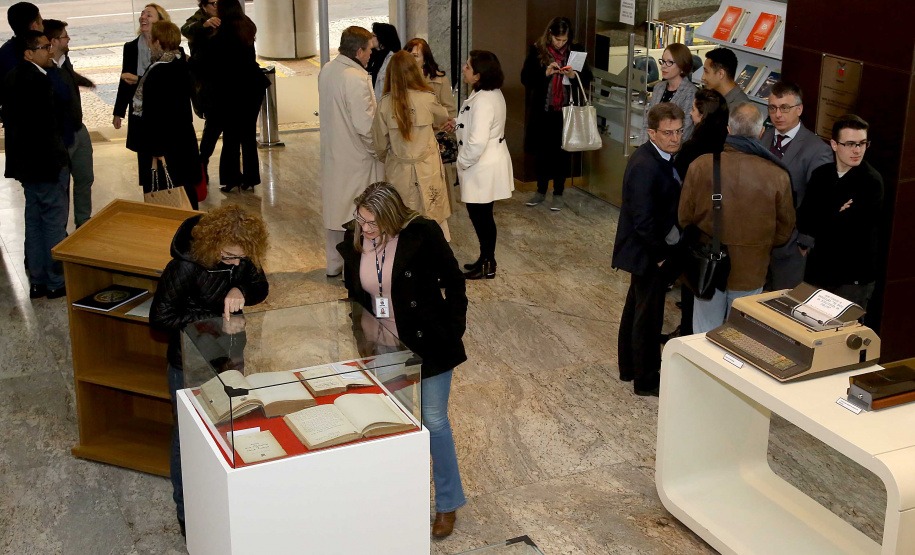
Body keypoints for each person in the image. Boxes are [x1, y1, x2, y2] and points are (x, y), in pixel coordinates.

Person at [337, 182, 467, 539]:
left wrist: (454, 329)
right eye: (360, 220)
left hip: (427, 343)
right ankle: (396, 502)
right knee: (392, 424)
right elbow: (354, 292)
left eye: (372, 223)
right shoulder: (357, 236)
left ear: (392, 217)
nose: (365, 229)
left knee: (434, 421)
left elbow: (455, 281)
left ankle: (447, 504)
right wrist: (360, 335)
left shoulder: (422, 234)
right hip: (382, 345)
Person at [150, 203, 269, 538]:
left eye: (241, 259)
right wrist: (212, 324)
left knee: (231, 426)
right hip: (189, 363)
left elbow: (261, 288)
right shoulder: (184, 267)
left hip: (230, 359)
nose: (235, 264)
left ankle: (226, 497)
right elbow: (160, 319)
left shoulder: (242, 260)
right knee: (187, 439)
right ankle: (186, 511)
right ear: (214, 244)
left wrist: (240, 288)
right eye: (229, 257)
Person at [680, 103, 795, 333]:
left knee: (703, 334)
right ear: (761, 133)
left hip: (707, 267)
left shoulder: (701, 166)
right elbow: (784, 229)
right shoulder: (778, 175)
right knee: (741, 336)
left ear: (729, 130)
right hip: (751, 270)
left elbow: (684, 217)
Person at [612, 103, 684, 396]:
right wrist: (660, 256)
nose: (675, 138)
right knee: (648, 318)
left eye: (679, 131)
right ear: (651, 132)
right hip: (648, 253)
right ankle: (646, 379)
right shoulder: (647, 164)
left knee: (636, 310)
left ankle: (629, 368)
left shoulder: (660, 157)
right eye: (668, 133)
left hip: (645, 252)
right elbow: (643, 220)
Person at [2, 30, 70, 300]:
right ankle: (55, 281)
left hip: (24, 164)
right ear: (29, 53)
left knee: (33, 220)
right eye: (44, 47)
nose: (50, 50)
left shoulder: (10, 77)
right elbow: (55, 119)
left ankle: (37, 281)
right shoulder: (42, 81)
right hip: (47, 163)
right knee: (53, 220)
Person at [797, 115, 883, 310]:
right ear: (834, 145)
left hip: (853, 278)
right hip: (819, 271)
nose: (857, 150)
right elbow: (805, 220)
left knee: (841, 336)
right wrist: (837, 211)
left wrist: (826, 215)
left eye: (862, 143)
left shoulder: (871, 181)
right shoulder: (821, 175)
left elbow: (853, 229)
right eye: (850, 144)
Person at [319, 26, 384, 277]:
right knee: (356, 213)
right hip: (356, 158)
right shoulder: (355, 77)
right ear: (358, 51)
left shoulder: (327, 70)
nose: (370, 55)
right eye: (369, 50)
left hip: (334, 153)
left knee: (336, 210)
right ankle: (354, 268)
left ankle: (334, 264)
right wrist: (379, 151)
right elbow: (365, 125)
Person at [666, 87, 729, 340]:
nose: (690, 114)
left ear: (702, 115)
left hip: (694, 227)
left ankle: (687, 332)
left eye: (693, 110)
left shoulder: (692, 150)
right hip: (721, 227)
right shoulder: (728, 146)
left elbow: (679, 190)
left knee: (692, 283)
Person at [372, 51, 454, 239]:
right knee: (433, 216)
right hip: (427, 167)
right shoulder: (427, 98)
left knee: (400, 219)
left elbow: (378, 143)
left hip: (398, 169)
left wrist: (390, 158)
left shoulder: (384, 104)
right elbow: (442, 118)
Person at [760, 81, 834, 290]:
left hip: (791, 245)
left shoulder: (817, 150)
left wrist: (805, 242)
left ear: (799, 110)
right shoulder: (765, 138)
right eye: (773, 108)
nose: (778, 114)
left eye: (785, 108)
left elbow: (819, 200)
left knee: (783, 305)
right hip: (759, 241)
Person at [520, 16, 592, 211]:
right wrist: (546, 74)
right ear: (550, 34)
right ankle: (541, 190)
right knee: (542, 153)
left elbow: (587, 77)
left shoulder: (576, 50)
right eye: (557, 39)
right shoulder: (538, 50)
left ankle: (558, 192)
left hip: (566, 111)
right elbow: (525, 78)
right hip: (544, 110)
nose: (560, 44)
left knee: (562, 153)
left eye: (564, 40)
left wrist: (573, 75)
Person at [197, 0, 268, 193]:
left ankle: (232, 179)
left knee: (231, 136)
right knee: (247, 134)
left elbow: (210, 63)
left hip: (230, 89)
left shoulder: (221, 32)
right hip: (252, 86)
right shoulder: (247, 25)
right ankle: (251, 178)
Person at [456, 50, 514, 280]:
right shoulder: (490, 93)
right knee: (483, 215)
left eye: (468, 66)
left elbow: (477, 142)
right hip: (488, 161)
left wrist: (462, 163)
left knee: (481, 217)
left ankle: (488, 263)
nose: (464, 68)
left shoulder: (483, 101)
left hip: (481, 165)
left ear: (479, 75)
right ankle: (485, 259)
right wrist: (458, 123)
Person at [135, 21, 200, 209]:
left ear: (157, 42)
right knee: (187, 193)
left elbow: (156, 114)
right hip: (183, 140)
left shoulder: (160, 71)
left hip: (166, 145)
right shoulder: (180, 61)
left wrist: (155, 149)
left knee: (169, 196)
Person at [113, 4, 170, 190]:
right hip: (140, 113)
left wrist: (137, 80)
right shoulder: (130, 47)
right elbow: (124, 81)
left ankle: (169, 195)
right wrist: (118, 112)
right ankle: (150, 194)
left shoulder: (169, 47)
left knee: (166, 159)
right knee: (146, 160)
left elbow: (167, 84)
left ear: (160, 21)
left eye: (149, 15)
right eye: (142, 14)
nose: (143, 17)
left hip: (162, 113)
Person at [45, 19, 96, 227]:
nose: (69, 39)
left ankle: (83, 222)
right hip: (61, 136)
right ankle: (59, 229)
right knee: (61, 185)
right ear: (55, 41)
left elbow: (70, 76)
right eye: (65, 36)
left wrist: (84, 82)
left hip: (79, 129)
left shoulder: (64, 59)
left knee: (85, 178)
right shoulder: (43, 67)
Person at [404, 37, 458, 205]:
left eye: (416, 56)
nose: (412, 60)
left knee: (438, 197)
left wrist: (436, 126)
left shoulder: (439, 79)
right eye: (409, 55)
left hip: (434, 142)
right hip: (409, 144)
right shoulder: (401, 80)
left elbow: (450, 111)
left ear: (425, 58)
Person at [638, 43, 697, 145]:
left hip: (673, 151)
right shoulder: (658, 88)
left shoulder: (690, 92)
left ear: (682, 66)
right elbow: (647, 122)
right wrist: (642, 148)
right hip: (651, 148)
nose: (663, 67)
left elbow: (685, 132)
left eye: (669, 62)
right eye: (663, 61)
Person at [0, 2, 42, 86]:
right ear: (34, 26)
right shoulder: (38, 53)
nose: (43, 27)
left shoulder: (5, 51)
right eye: (41, 23)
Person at [368, 22, 401, 101]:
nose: (370, 38)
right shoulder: (370, 56)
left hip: (384, 103)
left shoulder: (393, 59)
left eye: (373, 35)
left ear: (382, 38)